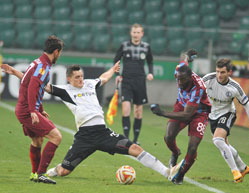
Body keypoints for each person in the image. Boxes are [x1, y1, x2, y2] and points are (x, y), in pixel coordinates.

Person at [2, 62, 181, 183]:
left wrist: (113, 69)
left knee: (135, 149)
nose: (81, 79)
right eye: (77, 77)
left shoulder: (89, 84)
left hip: (103, 133)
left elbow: (103, 78)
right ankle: (50, 172)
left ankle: (167, 172)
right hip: (84, 137)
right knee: (64, 170)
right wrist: (15, 72)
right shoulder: (64, 90)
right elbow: (37, 83)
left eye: (81, 76)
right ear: (69, 79)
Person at [1, 35, 64, 184]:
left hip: (24, 109)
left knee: (37, 140)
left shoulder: (38, 62)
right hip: (26, 110)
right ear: (56, 51)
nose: (59, 56)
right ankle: (42, 173)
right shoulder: (43, 67)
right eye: (60, 53)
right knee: (56, 137)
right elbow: (32, 88)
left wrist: (39, 109)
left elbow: (29, 83)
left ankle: (35, 174)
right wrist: (33, 111)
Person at [150, 49, 211, 185]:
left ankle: (180, 175)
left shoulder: (198, 87)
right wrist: (187, 55)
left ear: (190, 77)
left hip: (199, 113)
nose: (180, 82)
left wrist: (162, 113)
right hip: (181, 105)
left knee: (193, 147)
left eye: (183, 80)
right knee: (169, 136)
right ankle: (175, 152)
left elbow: (187, 115)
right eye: (178, 79)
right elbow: (183, 57)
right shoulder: (180, 71)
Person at [202, 58, 249, 182]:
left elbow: (247, 104)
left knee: (217, 140)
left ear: (229, 72)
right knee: (224, 144)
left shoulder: (235, 87)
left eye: (222, 72)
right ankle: (243, 167)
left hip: (228, 113)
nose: (219, 75)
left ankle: (235, 171)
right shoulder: (208, 79)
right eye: (217, 71)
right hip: (212, 115)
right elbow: (195, 89)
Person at [113, 23, 154, 144]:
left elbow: (150, 61)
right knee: (126, 109)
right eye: (134, 32)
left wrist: (150, 73)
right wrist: (117, 74)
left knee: (138, 111)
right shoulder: (124, 46)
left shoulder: (146, 47)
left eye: (138, 32)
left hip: (140, 81)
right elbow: (116, 60)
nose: (136, 34)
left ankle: (135, 140)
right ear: (131, 33)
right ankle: (126, 138)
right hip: (126, 80)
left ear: (142, 34)